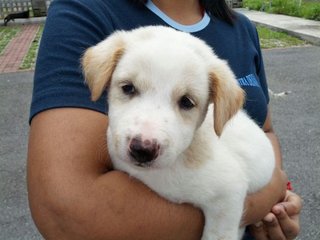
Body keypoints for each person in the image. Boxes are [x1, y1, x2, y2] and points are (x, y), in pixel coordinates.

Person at [27, 0, 302, 239]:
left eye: (186, 102)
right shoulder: (85, 13)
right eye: (129, 89)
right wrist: (265, 196)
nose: (146, 140)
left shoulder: (242, 28)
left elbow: (265, 130)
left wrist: (280, 198)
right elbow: (70, 215)